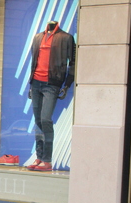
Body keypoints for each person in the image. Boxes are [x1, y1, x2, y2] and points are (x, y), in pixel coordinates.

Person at [27, 21, 75, 171]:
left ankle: (47, 160)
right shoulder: (37, 38)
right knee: (38, 121)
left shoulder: (66, 38)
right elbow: (34, 61)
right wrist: (31, 84)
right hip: (36, 83)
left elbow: (73, 62)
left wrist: (67, 84)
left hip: (52, 84)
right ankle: (39, 157)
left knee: (45, 119)